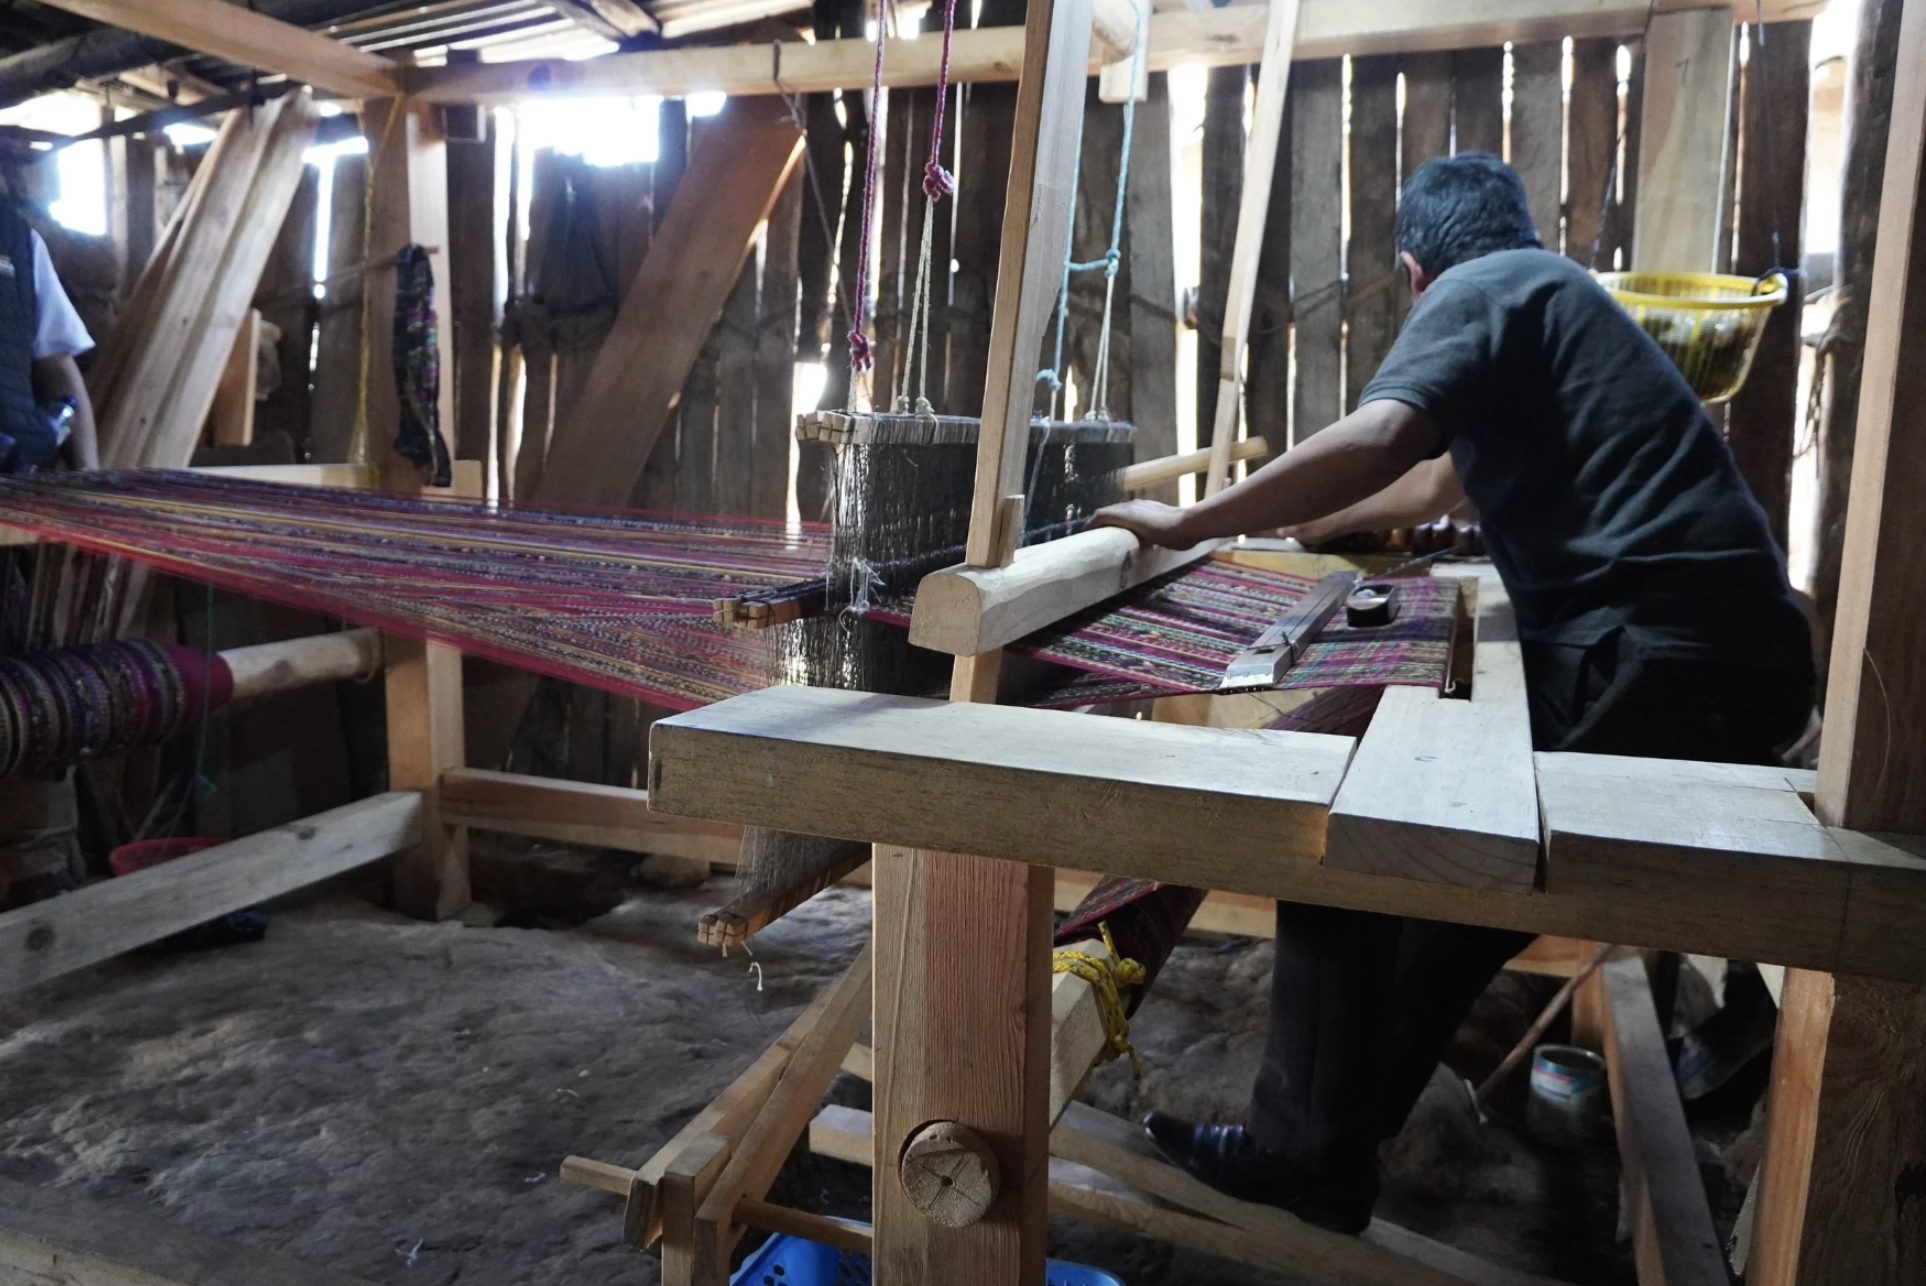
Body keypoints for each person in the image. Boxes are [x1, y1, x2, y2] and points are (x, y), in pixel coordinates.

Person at [1088, 153, 1813, 1233]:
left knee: (1348, 841)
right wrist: (1315, 526)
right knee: (1436, 913)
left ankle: (1306, 1150)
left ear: (1419, 273)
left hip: (1662, 659)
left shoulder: (1484, 289)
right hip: (1720, 659)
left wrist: (1195, 522)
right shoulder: (1551, 293)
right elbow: (1436, 478)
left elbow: (1386, 436)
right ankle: (1328, 1146)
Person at [0, 193, 103, 912]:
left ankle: (36, 872)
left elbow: (58, 368)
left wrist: (92, 484)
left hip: (8, 508)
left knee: (27, 690)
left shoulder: (14, 240)